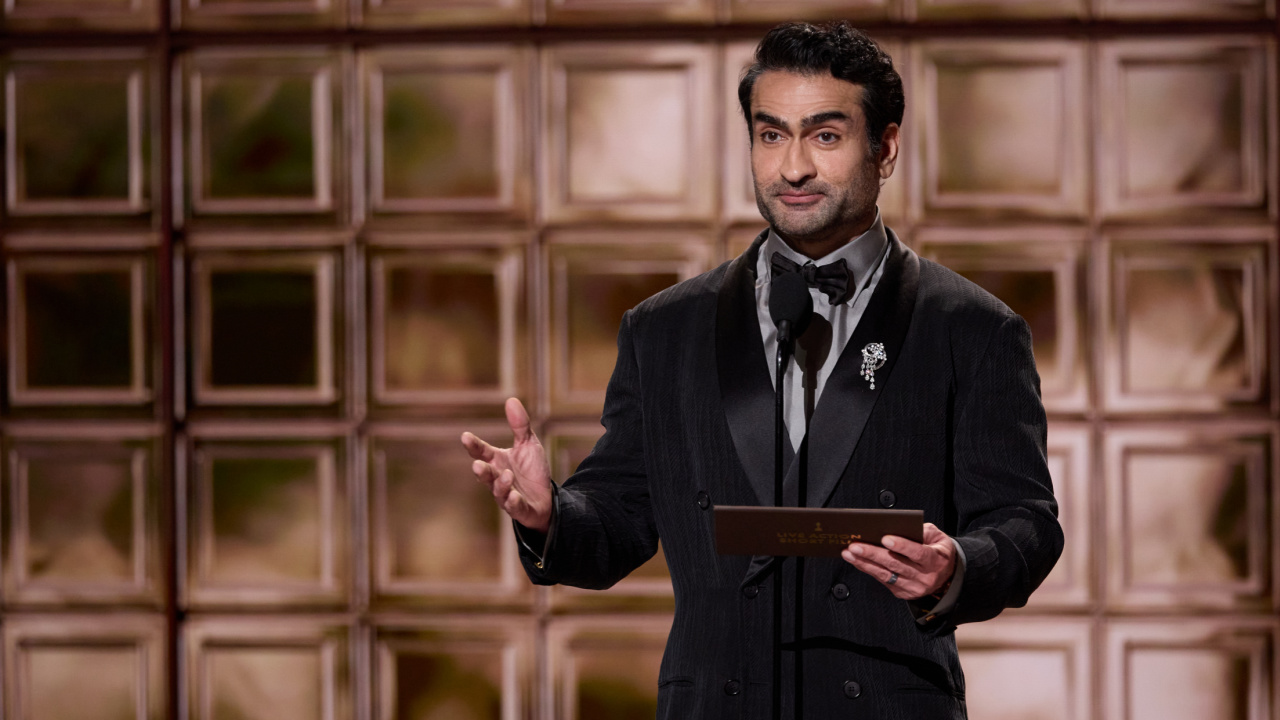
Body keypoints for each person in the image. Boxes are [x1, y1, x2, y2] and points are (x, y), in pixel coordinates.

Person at [462, 21, 1062, 719]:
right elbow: (622, 516)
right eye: (771, 134)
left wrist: (958, 565)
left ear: (886, 147)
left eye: (825, 136)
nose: (793, 167)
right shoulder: (664, 330)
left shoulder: (974, 329)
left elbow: (1027, 521)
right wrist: (548, 514)